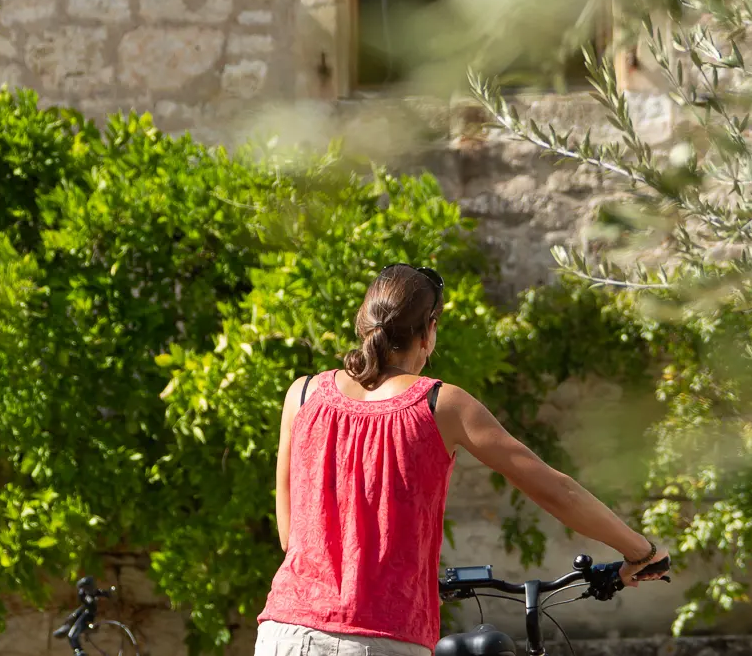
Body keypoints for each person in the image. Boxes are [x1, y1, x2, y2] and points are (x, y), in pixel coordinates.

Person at [256, 264, 670, 656]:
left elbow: (292, 540)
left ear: (362, 321)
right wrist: (641, 552)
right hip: (380, 638)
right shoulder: (440, 404)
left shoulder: (303, 394)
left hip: (283, 632)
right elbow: (555, 489)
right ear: (429, 332)